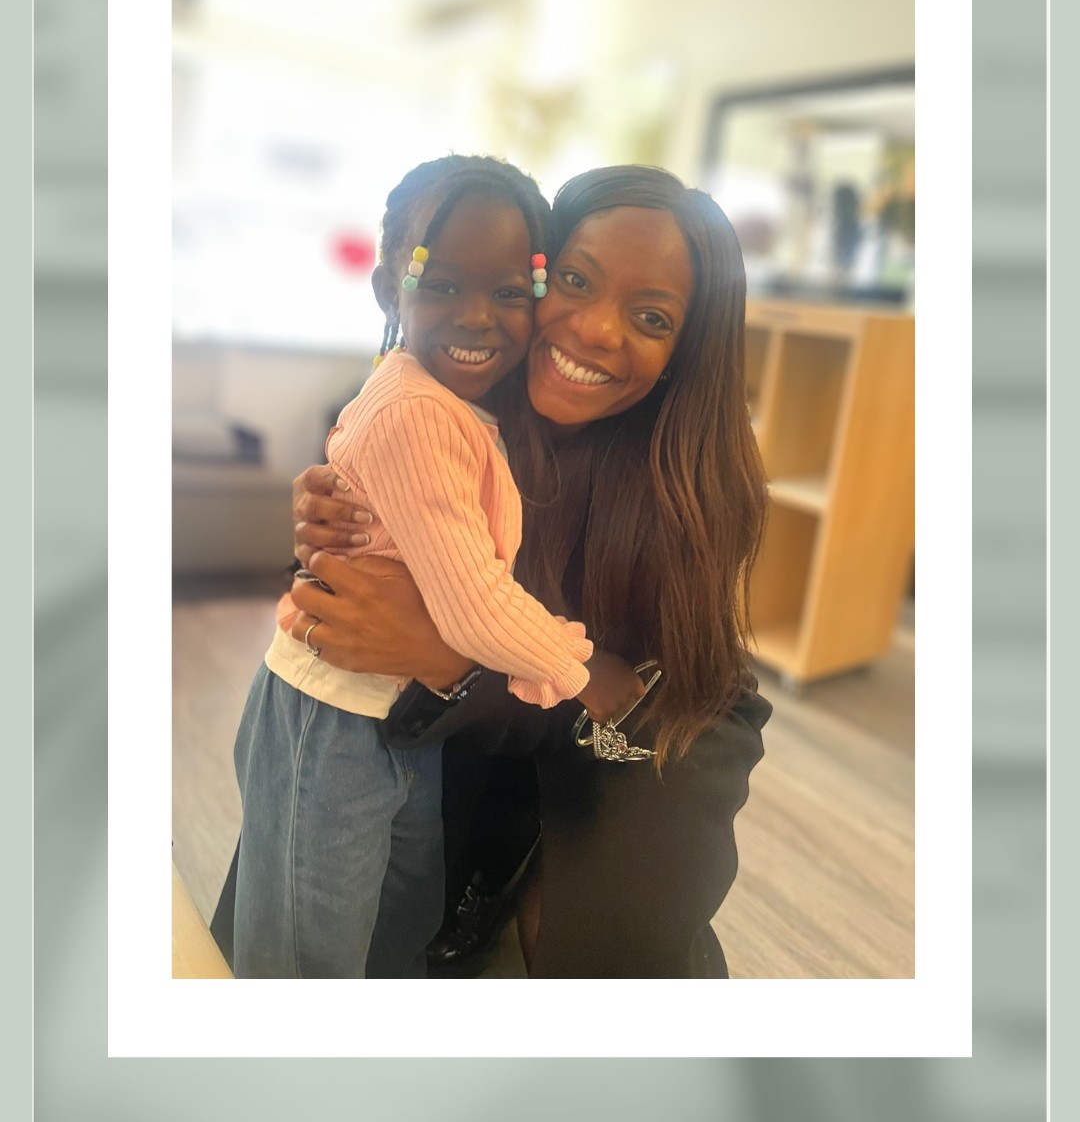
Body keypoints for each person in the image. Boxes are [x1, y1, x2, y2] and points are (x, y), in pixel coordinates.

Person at [283, 164, 773, 978]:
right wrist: (329, 526)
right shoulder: (432, 407)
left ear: (684, 352)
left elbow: (653, 698)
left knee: (614, 928)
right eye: (574, 280)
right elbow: (335, 612)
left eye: (651, 317)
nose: (597, 330)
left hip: (626, 738)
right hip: (458, 734)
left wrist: (450, 655)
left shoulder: (687, 488)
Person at [229, 155, 645, 980]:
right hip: (335, 714)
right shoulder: (419, 411)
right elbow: (475, 604)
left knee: (400, 921)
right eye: (444, 284)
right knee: (307, 957)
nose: (478, 317)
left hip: (401, 715)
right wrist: (585, 671)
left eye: (508, 291)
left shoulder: (455, 405)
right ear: (392, 288)